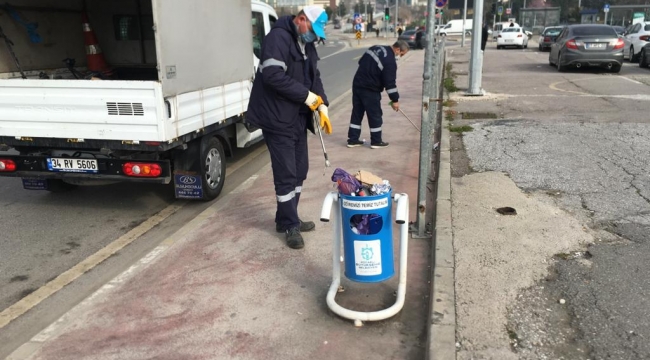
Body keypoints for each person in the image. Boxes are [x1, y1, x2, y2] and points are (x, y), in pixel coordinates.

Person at [247, 6, 332, 249]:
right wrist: (307, 97)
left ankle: (286, 217)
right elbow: (272, 75)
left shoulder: (306, 43)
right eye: (313, 31)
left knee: (300, 170)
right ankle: (290, 225)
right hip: (277, 118)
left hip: (296, 117)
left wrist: (322, 104)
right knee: (286, 174)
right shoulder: (278, 38)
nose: (314, 37)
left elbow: (314, 76)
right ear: (301, 19)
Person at [347, 40, 409, 149]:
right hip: (370, 88)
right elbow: (390, 83)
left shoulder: (375, 47)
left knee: (357, 112)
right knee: (375, 114)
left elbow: (361, 62)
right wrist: (395, 100)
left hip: (357, 84)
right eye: (402, 54)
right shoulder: (390, 61)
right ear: (398, 49)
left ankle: (353, 139)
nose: (401, 56)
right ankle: (376, 141)